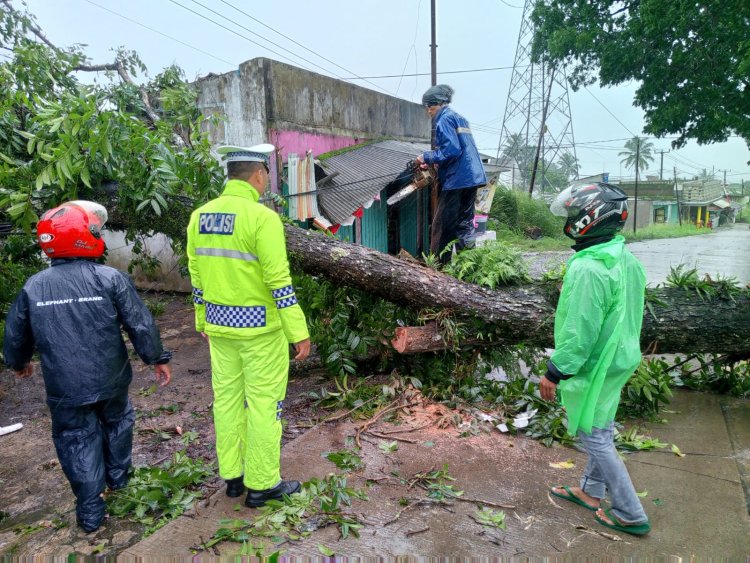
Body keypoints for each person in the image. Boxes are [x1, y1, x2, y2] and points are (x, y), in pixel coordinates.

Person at [3, 200, 172, 533]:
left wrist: (18, 362)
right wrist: (156, 358)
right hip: (110, 378)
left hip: (65, 386)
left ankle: (91, 508)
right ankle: (119, 481)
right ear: (84, 236)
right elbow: (140, 324)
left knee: (75, 438)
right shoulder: (110, 278)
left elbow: (16, 332)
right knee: (118, 423)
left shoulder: (34, 286)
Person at [187, 143, 311, 508]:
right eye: (267, 175)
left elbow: (196, 275)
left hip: (219, 329)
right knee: (263, 405)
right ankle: (263, 484)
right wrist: (297, 330)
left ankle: (234, 478)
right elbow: (278, 280)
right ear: (258, 175)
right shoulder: (262, 218)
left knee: (225, 401)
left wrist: (201, 318)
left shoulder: (200, 217)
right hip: (261, 332)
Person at [540, 183, 651, 537]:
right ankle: (591, 491)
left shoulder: (589, 268)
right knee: (602, 423)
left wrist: (555, 371)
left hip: (597, 361)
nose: (571, 220)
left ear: (592, 218)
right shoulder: (623, 256)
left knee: (595, 434)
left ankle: (630, 512)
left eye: (575, 214)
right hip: (620, 357)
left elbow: (581, 329)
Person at [415, 84, 487, 263]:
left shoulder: (444, 119)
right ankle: (468, 265)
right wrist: (437, 162)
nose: (428, 112)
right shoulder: (460, 118)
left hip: (457, 179)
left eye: (428, 107)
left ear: (436, 104)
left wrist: (426, 156)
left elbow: (452, 150)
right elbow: (461, 150)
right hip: (472, 177)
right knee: (464, 224)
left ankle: (439, 268)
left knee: (442, 226)